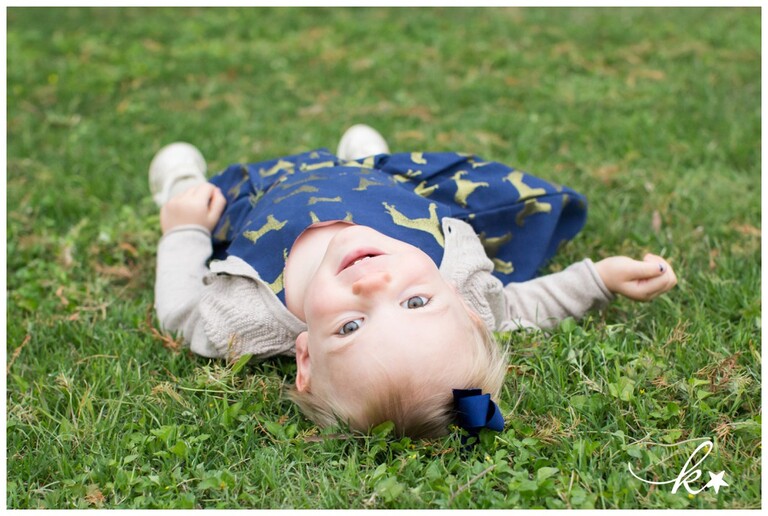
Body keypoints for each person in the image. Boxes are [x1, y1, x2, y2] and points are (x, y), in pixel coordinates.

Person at [150, 125, 677, 438]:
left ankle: (179, 185)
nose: (373, 284)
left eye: (351, 327)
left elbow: (178, 310)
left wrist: (185, 229)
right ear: (465, 306)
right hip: (380, 188)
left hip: (266, 199)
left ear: (305, 357)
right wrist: (597, 278)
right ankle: (364, 160)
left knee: (202, 202)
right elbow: (517, 308)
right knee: (382, 173)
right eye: (417, 301)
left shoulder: (244, 318)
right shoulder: (460, 279)